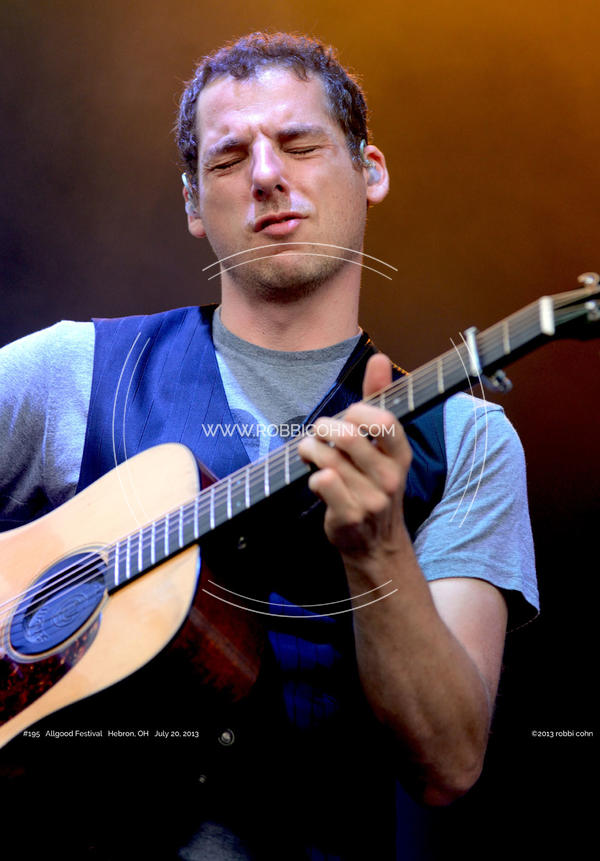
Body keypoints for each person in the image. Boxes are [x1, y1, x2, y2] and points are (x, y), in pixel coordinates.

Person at [0, 32, 538, 860]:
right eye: (226, 159)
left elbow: (449, 763)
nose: (264, 175)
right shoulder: (75, 370)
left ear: (369, 170)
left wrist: (377, 548)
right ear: (192, 204)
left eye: (299, 144)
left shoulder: (465, 440)